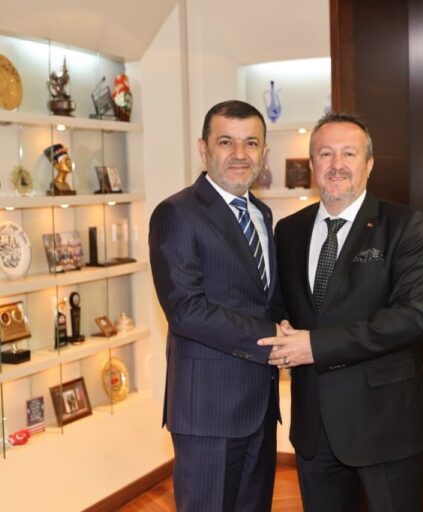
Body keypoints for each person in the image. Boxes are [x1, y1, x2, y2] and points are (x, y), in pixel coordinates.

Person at [259, 112, 423, 511]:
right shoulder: (289, 231)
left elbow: (413, 317)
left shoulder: (404, 225)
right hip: (314, 425)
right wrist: (282, 328)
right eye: (325, 154)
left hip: (385, 423)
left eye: (349, 153)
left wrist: (315, 346)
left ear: (368, 164)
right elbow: (284, 304)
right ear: (312, 164)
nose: (336, 164)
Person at [149, 100, 282, 511]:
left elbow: (261, 299)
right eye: (226, 142)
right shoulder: (176, 213)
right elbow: (186, 311)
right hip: (208, 411)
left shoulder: (262, 214)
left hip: (261, 407)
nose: (240, 154)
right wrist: (274, 339)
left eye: (251, 143)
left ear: (264, 153)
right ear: (203, 149)